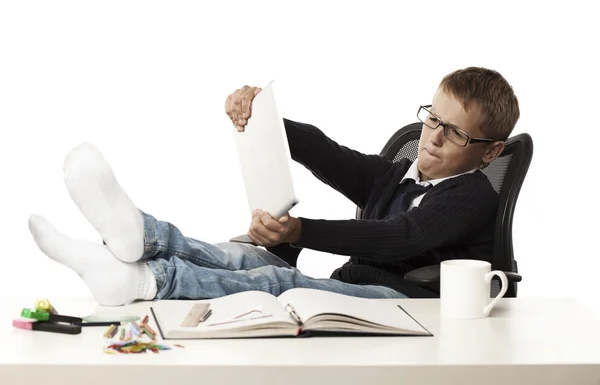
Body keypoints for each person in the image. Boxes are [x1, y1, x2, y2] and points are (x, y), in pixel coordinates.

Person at [28, 66, 519, 306]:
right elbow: (327, 153)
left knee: (278, 282)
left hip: (408, 306)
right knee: (244, 257)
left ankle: (146, 281)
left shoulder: (472, 195)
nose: (431, 137)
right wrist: (263, 117)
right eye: (432, 118)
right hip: (359, 288)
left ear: (490, 150)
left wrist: (298, 231)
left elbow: (403, 237)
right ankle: (141, 238)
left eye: (454, 132)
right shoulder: (400, 172)